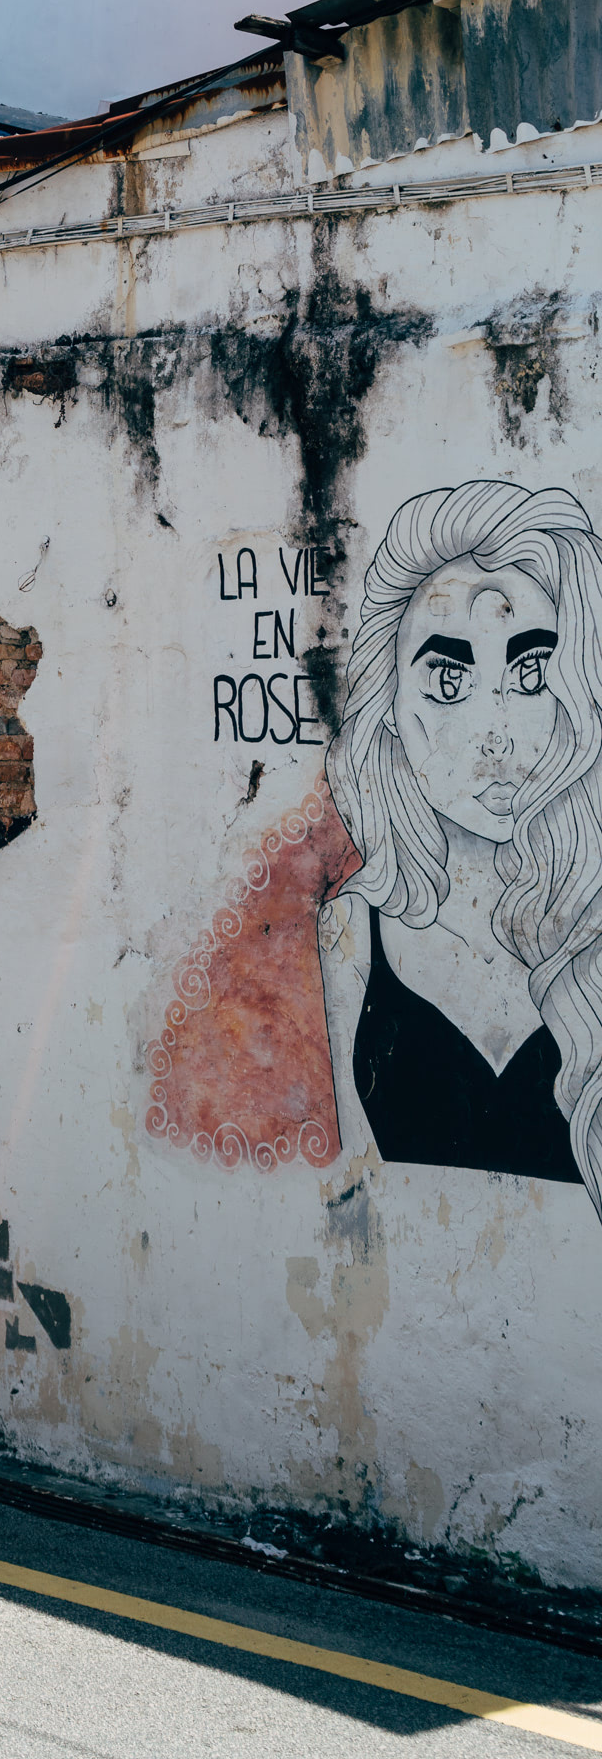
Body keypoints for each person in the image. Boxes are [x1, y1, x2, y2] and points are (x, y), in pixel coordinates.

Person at [320, 480, 602, 1214]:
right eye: (448, 678)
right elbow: (360, 1201)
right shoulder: (353, 930)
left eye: (532, 670)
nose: (497, 735)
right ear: (391, 708)